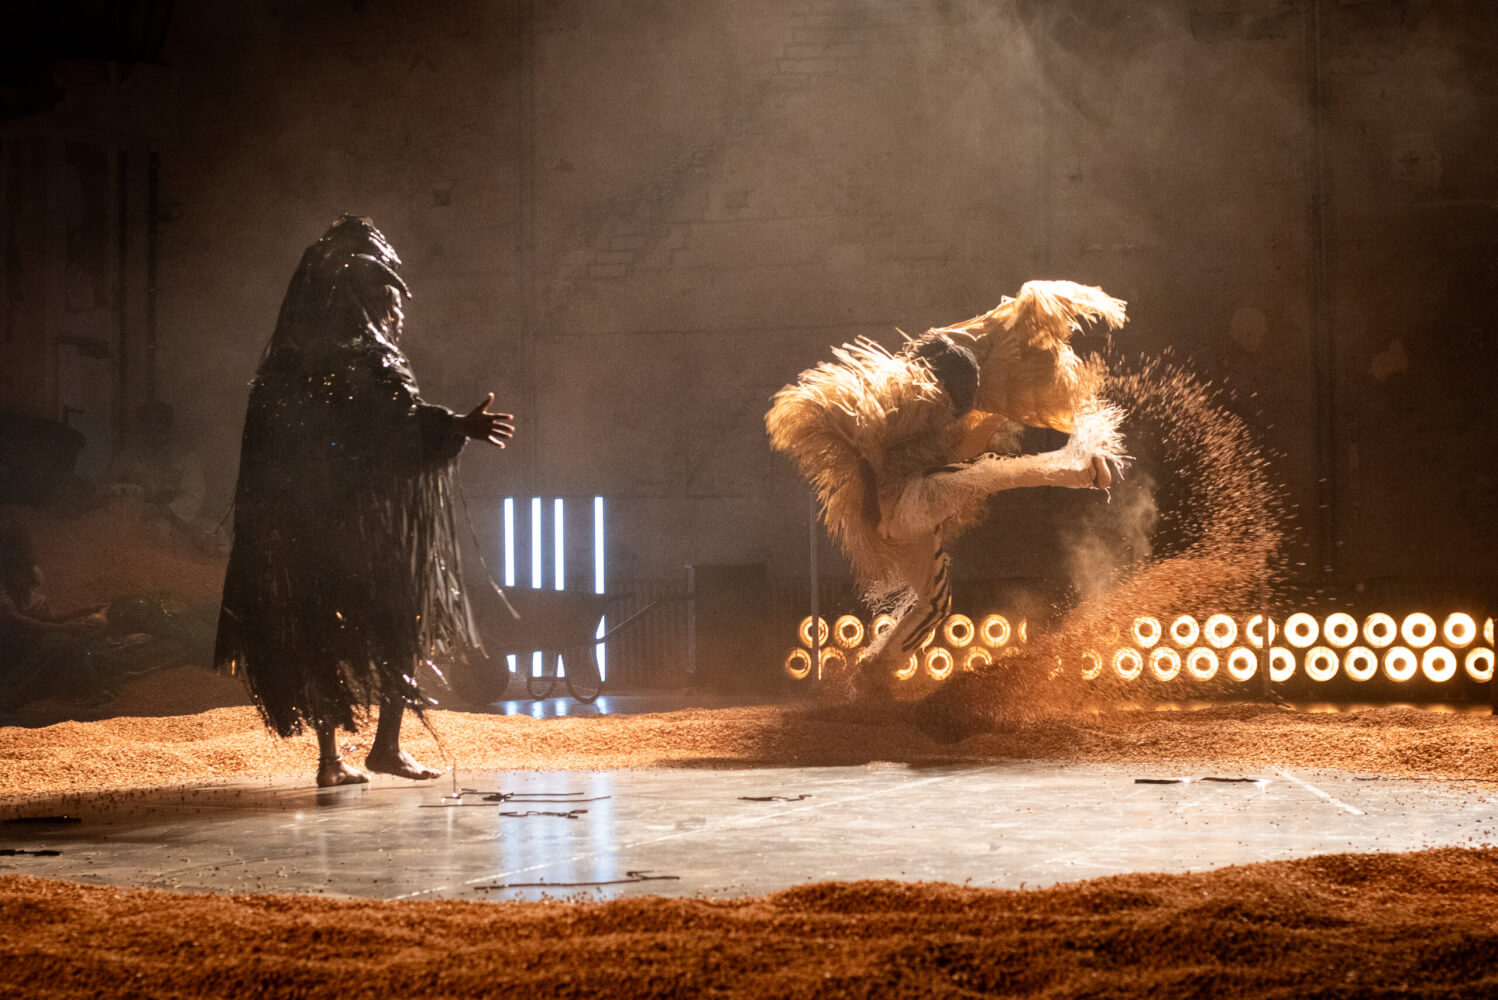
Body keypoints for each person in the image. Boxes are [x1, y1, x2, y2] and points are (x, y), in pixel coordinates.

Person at [214, 216, 514, 787]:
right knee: (398, 620)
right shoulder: (358, 352)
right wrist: (458, 425)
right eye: (382, 286)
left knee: (322, 632)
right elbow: (391, 423)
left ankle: (334, 760)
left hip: (307, 525)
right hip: (360, 528)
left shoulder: (287, 360)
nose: (390, 298)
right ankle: (382, 749)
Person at [766, 280, 1128, 696]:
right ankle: (1079, 470)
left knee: (934, 605)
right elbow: (855, 430)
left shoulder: (957, 372)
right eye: (962, 397)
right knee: (987, 473)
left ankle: (874, 673)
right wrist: (869, 501)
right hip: (900, 506)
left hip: (907, 517)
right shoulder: (909, 398)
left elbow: (982, 360)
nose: (966, 404)